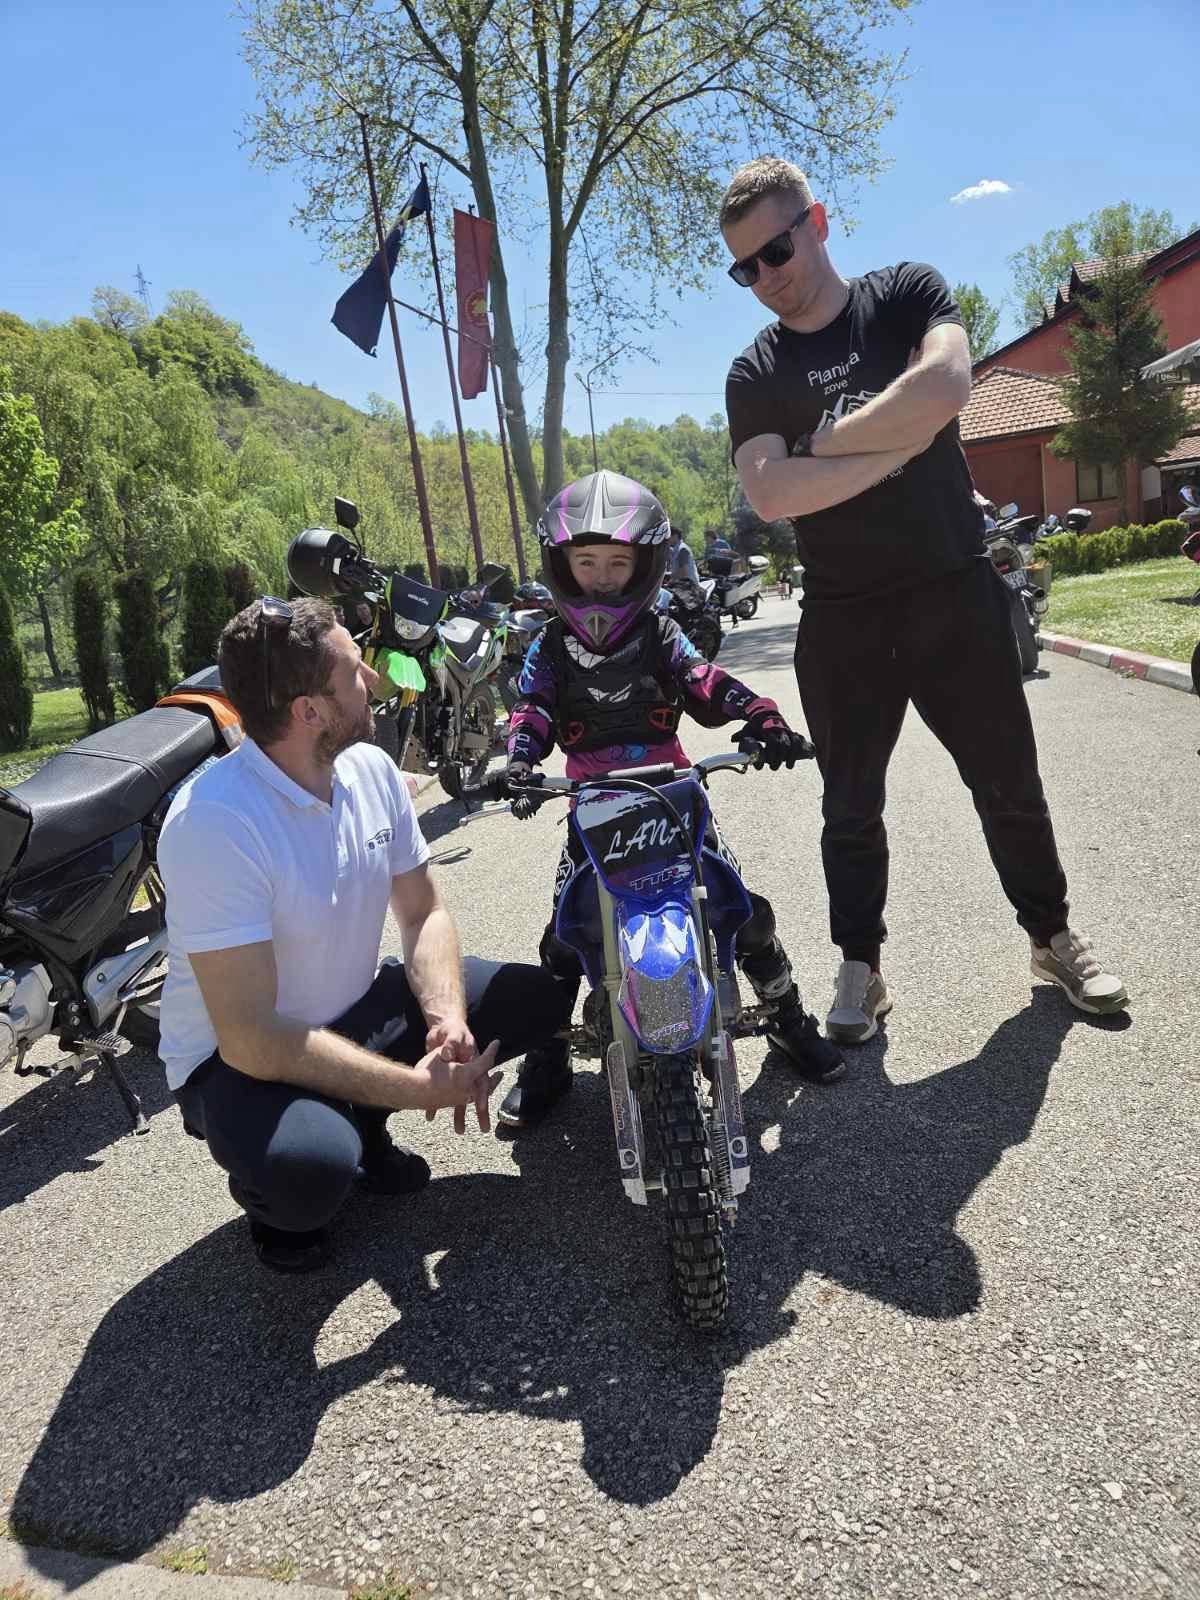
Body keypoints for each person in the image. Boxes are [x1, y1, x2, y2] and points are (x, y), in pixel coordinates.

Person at [720, 156, 1127, 1042]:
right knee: (849, 808)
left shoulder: (905, 294)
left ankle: (1052, 938)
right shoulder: (754, 372)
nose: (765, 277)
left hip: (954, 591)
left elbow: (945, 386)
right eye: (744, 268)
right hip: (843, 617)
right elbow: (772, 494)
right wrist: (901, 440)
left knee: (1009, 784)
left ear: (816, 223)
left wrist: (821, 444)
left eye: (776, 251)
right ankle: (860, 968)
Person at [157, 596, 572, 1272]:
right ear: (309, 711)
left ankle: (361, 1114)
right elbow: (255, 1037)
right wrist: (418, 1088)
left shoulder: (369, 768)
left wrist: (447, 1017)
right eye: (355, 671)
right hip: (233, 1062)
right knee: (309, 1172)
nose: (375, 680)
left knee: (538, 999)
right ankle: (280, 1196)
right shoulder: (214, 822)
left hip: (349, 1008)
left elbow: (423, 912)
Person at [497, 469, 845, 1129]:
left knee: (744, 911)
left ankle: (787, 1015)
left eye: (617, 563)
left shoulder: (660, 632)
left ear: (644, 564)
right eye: (586, 562)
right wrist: (519, 761)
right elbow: (532, 708)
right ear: (562, 565)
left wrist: (763, 716)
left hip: (675, 796)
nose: (601, 579)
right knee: (562, 941)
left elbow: (701, 678)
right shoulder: (548, 645)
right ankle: (547, 1057)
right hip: (591, 807)